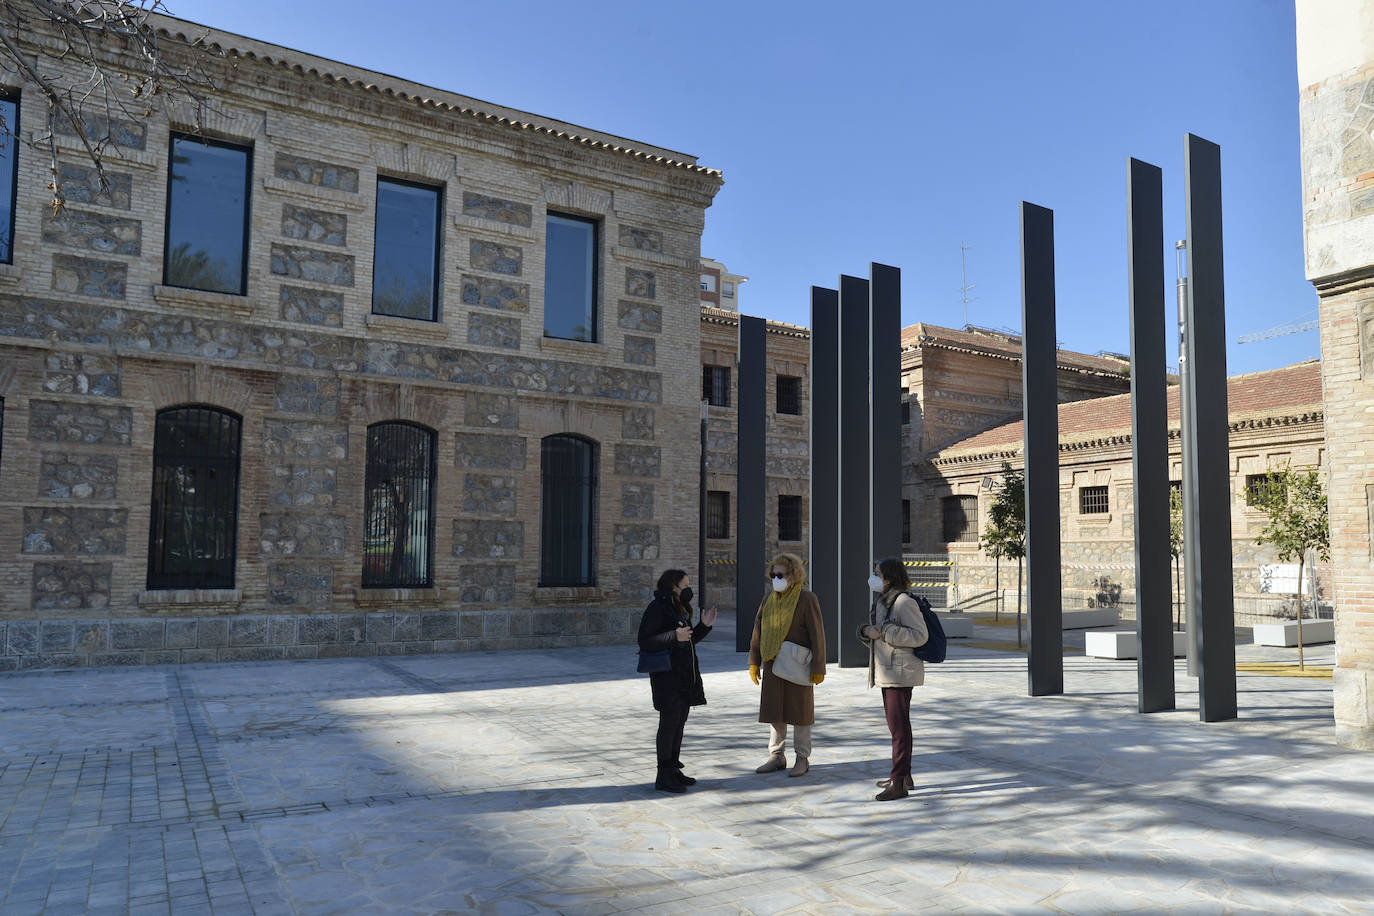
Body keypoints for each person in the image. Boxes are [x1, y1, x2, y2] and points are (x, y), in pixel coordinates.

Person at [638, 568, 717, 793]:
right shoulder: (657, 608)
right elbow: (645, 640)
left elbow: (688, 641)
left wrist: (705, 626)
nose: (688, 590)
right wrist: (674, 636)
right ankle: (662, 775)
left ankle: (673, 769)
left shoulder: (678, 608)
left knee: (679, 723)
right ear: (672, 586)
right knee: (669, 724)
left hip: (683, 676)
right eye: (684, 585)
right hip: (667, 677)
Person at [748, 552, 826, 777]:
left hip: (798, 665)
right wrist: (754, 661)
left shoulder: (807, 599)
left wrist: (819, 668)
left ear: (793, 575)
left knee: (800, 713)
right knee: (775, 711)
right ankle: (776, 755)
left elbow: (817, 635)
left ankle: (802, 757)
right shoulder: (769, 599)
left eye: (780, 574)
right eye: (773, 574)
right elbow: (758, 631)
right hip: (773, 663)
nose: (775, 579)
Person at [858, 556, 929, 801]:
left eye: (877, 573)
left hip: (900, 672)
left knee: (899, 728)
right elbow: (876, 631)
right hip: (887, 670)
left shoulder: (903, 602)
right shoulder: (883, 601)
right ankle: (903, 774)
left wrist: (886, 631)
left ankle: (898, 781)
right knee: (896, 727)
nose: (873, 578)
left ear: (889, 578)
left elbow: (920, 636)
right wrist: (867, 631)